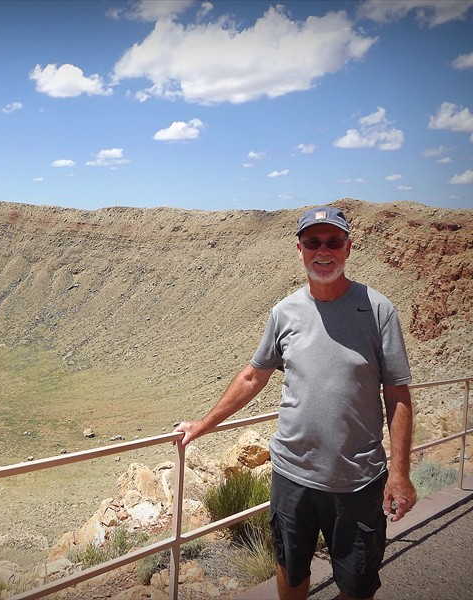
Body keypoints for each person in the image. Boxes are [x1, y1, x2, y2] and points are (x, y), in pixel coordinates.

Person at [175, 206, 416, 600]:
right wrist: (203, 425)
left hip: (356, 481)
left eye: (333, 242)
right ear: (299, 249)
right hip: (292, 477)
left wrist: (401, 474)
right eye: (313, 242)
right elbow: (254, 375)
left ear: (348, 248)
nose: (324, 251)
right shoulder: (285, 311)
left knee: (358, 586)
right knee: (290, 570)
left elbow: (397, 394)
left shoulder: (377, 310)